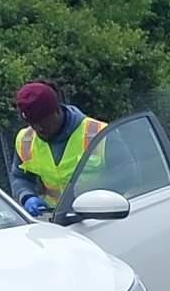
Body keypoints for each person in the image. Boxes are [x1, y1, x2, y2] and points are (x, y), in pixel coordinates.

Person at [9, 81, 109, 216]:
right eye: (33, 123)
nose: (39, 128)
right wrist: (27, 196)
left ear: (57, 110)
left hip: (99, 215)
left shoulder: (99, 133)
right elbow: (20, 177)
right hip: (56, 221)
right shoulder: (25, 140)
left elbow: (126, 175)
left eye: (43, 121)